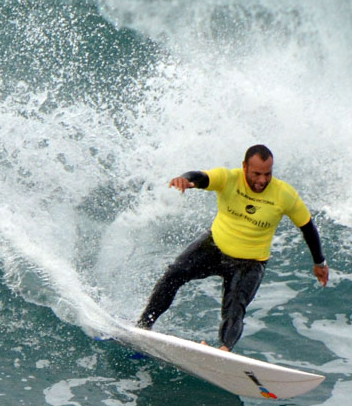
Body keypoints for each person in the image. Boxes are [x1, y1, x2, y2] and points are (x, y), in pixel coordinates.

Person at [138, 144, 329, 351]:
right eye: (256, 174)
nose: (262, 180)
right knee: (173, 274)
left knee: (235, 307)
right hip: (214, 247)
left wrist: (319, 262)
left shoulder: (284, 195)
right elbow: (201, 177)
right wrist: (185, 179)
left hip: (250, 262)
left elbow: (308, 227)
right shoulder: (228, 178)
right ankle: (143, 327)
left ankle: (224, 351)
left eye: (267, 174)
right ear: (244, 166)